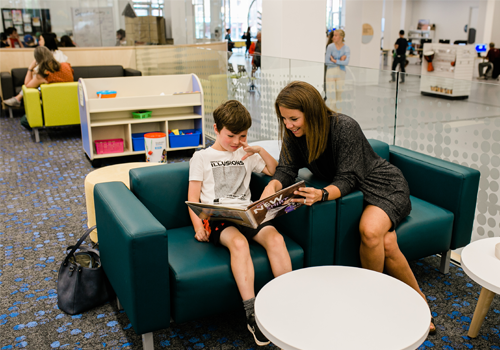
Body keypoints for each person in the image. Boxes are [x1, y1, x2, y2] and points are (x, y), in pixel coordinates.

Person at [261, 81, 437, 336]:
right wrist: (273, 186)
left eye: (293, 118)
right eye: (284, 119)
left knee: (371, 232)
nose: (288, 125)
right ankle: (417, 300)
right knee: (387, 242)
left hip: (383, 185)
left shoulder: (344, 126)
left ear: (311, 111)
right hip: (356, 195)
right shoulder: (294, 134)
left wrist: (321, 194)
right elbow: (287, 168)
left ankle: (373, 299)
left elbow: (348, 178)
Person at [188, 100, 291, 346]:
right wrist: (197, 226)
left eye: (241, 135)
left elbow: (274, 170)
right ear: (216, 129)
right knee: (238, 243)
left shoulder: (245, 154)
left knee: (275, 237)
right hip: (216, 217)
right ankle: (252, 313)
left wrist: (258, 151)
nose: (235, 141)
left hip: (246, 212)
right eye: (230, 135)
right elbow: (192, 199)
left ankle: (289, 298)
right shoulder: (201, 157)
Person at [3, 46, 74, 108]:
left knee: (24, 120)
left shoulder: (43, 75)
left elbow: (27, 85)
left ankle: (17, 99)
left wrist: (30, 68)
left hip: (52, 104)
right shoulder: (66, 66)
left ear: (37, 60)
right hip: (70, 100)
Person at [324, 29, 349, 112]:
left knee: (340, 94)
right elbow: (327, 61)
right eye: (333, 35)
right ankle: (331, 113)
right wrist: (340, 61)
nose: (333, 37)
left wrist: (335, 60)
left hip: (341, 72)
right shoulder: (330, 47)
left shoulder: (346, 48)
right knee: (331, 94)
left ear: (341, 37)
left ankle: (339, 114)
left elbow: (346, 62)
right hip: (331, 71)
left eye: (335, 35)